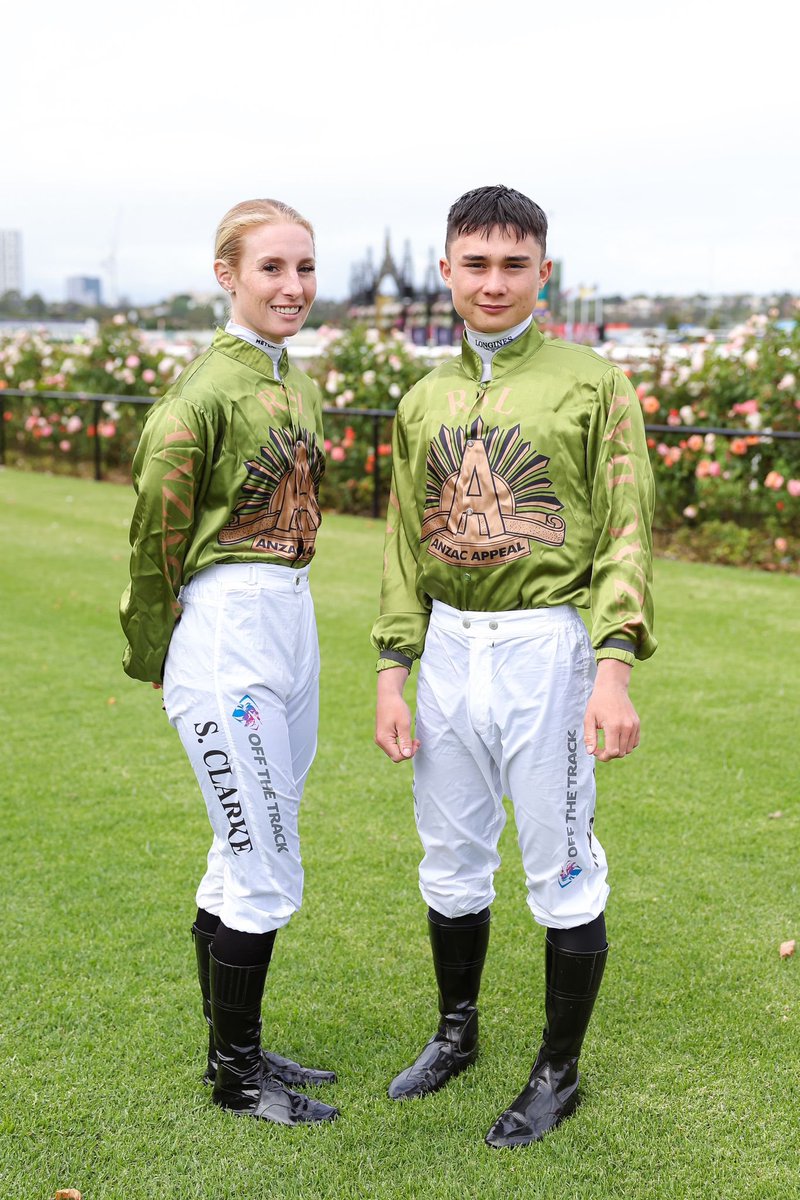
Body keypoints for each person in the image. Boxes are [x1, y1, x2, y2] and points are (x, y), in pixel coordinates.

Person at [372, 185, 656, 1148]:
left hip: (547, 647)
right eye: (475, 264)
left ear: (544, 270)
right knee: (450, 859)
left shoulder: (592, 382)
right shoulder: (424, 398)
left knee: (562, 865)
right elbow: (406, 547)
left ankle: (557, 1070)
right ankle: (456, 1034)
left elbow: (625, 530)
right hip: (448, 645)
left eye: (513, 264)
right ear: (446, 270)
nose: (493, 283)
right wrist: (390, 671)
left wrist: (613, 665)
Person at [120, 198, 338, 1126]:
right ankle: (235, 1077)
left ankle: (237, 1042)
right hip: (227, 628)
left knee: (243, 838)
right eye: (271, 270)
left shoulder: (297, 382)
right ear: (228, 276)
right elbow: (154, 533)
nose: (292, 288)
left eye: (305, 269)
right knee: (266, 858)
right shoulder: (201, 394)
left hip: (291, 612)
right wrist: (157, 653)